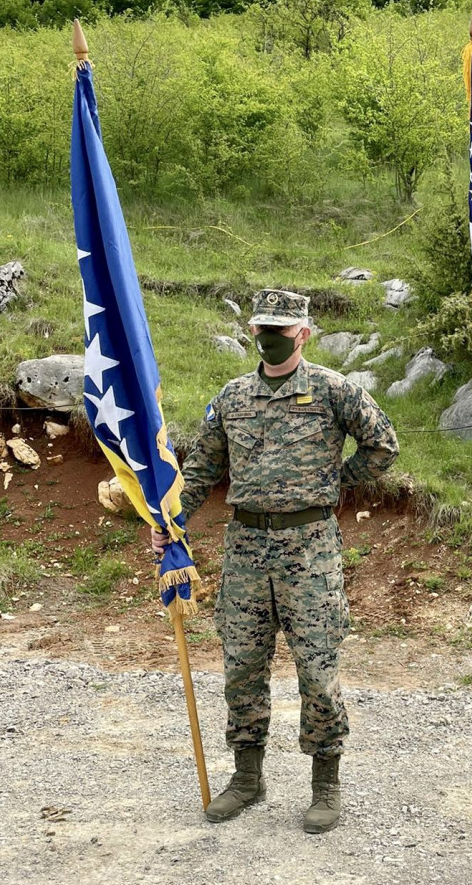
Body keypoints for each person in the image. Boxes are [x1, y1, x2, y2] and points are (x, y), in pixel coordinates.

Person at [152, 289, 399, 833]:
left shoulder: (334, 390)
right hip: (245, 548)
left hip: (309, 548)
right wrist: (172, 523)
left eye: (279, 330)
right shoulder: (233, 396)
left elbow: (383, 447)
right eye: (261, 327)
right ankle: (247, 778)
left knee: (316, 668)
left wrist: (334, 484)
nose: (268, 337)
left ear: (302, 334)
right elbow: (201, 469)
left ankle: (325, 784)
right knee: (241, 666)